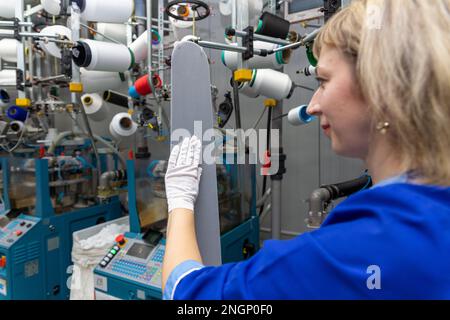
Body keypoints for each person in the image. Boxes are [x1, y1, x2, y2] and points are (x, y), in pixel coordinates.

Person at [161, 0, 450, 299]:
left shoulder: (350, 251)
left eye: (323, 81)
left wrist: (180, 201)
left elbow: (188, 296)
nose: (313, 105)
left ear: (382, 86)